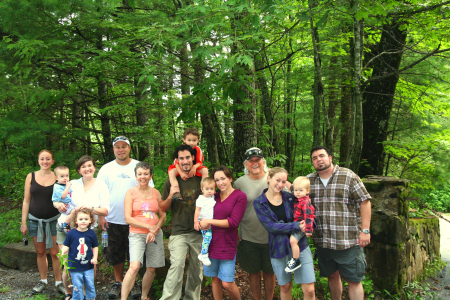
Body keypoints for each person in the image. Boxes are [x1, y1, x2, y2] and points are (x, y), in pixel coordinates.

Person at [306, 146, 371, 300]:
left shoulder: (348, 176)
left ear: (330, 157)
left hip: (347, 240)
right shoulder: (309, 180)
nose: (318, 160)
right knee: (332, 277)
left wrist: (365, 230)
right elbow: (292, 189)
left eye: (321, 156)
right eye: (314, 158)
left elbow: (365, 201)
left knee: (354, 280)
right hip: (323, 241)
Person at [97, 136, 154, 299]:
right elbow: (100, 193)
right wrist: (101, 216)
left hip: (136, 220)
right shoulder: (106, 169)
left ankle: (133, 282)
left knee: (133, 252)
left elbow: (149, 191)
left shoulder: (139, 166)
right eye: (117, 147)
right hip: (112, 218)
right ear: (113, 149)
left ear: (129, 148)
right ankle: (118, 281)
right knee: (115, 252)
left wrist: (147, 217)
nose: (120, 150)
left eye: (124, 146)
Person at [53, 155, 110, 300]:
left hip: (88, 230)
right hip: (66, 228)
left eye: (89, 165)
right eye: (83, 166)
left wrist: (90, 208)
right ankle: (69, 293)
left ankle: (85, 293)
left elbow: (105, 210)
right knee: (68, 262)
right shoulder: (72, 183)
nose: (87, 169)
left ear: (94, 167)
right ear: (79, 170)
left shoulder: (101, 185)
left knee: (88, 262)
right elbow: (58, 198)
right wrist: (56, 204)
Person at [254, 167, 315, 300]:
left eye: (284, 182)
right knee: (285, 287)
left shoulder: (290, 197)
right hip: (278, 248)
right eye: (278, 180)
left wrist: (309, 225)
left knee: (310, 290)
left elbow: (307, 211)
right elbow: (271, 226)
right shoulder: (259, 203)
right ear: (269, 178)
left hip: (300, 245)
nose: (280, 184)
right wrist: (296, 225)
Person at [159, 144, 203, 300]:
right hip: (179, 232)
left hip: (199, 233)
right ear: (176, 160)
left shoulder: (202, 179)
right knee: (177, 265)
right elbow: (162, 208)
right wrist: (171, 195)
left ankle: (192, 297)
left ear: (193, 158)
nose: (185, 161)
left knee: (197, 269)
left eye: (188, 157)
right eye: (181, 158)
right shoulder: (171, 181)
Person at [234, 147, 276, 300]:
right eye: (251, 161)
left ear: (263, 161)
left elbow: (290, 194)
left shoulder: (273, 178)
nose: (255, 163)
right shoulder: (239, 183)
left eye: (257, 160)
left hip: (272, 236)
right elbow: (232, 207)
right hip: (248, 235)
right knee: (253, 272)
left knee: (270, 272)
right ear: (246, 164)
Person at [199, 166, 247, 300]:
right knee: (215, 280)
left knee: (227, 283)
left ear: (230, 178)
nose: (220, 183)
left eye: (223, 179)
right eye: (217, 180)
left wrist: (209, 221)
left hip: (227, 244)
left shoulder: (239, 196)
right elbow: (200, 211)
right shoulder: (212, 196)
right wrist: (199, 221)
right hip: (211, 242)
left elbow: (233, 222)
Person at [20, 150, 64, 294]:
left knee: (55, 253)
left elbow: (65, 197)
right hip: (34, 220)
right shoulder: (30, 176)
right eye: (42, 159)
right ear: (38, 160)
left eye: (48, 159)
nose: (45, 162)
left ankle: (59, 282)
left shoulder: (58, 177)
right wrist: (23, 222)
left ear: (53, 161)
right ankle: (43, 281)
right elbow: (26, 201)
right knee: (40, 252)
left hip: (54, 220)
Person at [121, 162, 166, 300]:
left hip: (155, 234)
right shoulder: (130, 193)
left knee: (151, 268)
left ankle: (144, 296)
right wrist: (148, 228)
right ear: (136, 176)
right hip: (137, 234)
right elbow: (128, 218)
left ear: (150, 176)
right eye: (140, 174)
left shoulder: (156, 193)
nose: (143, 177)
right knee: (134, 266)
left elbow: (163, 216)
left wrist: (154, 230)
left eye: (146, 174)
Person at [61, 208, 99, 300]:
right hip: (75, 265)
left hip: (88, 266)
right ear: (76, 221)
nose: (83, 221)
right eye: (81, 219)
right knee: (77, 285)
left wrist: (95, 257)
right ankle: (77, 298)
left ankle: (91, 297)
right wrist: (63, 251)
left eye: (86, 219)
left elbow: (95, 246)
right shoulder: (72, 233)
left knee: (90, 283)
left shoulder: (91, 233)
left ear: (90, 220)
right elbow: (66, 245)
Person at [168, 128, 208, 201]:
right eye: (189, 140)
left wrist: (194, 167)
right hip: (180, 168)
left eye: (194, 140)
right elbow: (176, 163)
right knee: (171, 172)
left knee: (205, 170)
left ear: (198, 140)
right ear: (184, 140)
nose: (191, 143)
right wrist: (180, 173)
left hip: (194, 167)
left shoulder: (198, 149)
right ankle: (176, 192)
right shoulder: (181, 149)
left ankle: (205, 190)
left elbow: (200, 162)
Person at [285, 176, 315, 273]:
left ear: (307, 191)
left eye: (300, 190)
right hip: (295, 224)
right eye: (296, 190)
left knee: (293, 241)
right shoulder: (297, 200)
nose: (297, 192)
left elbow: (308, 216)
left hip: (302, 226)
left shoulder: (305, 202)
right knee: (292, 241)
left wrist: (309, 230)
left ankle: (295, 260)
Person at [194, 177, 217, 266]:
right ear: (202, 189)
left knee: (208, 237)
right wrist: (196, 222)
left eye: (212, 189)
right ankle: (203, 254)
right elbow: (197, 211)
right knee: (208, 237)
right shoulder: (201, 199)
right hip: (202, 220)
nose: (209, 191)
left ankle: (204, 253)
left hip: (210, 221)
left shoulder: (212, 197)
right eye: (207, 189)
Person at [52, 165, 74, 233]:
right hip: (64, 204)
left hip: (68, 203)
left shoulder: (67, 184)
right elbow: (63, 196)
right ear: (56, 178)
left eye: (67, 176)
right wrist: (67, 187)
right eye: (62, 176)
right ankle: (65, 225)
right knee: (73, 211)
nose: (65, 178)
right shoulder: (57, 187)